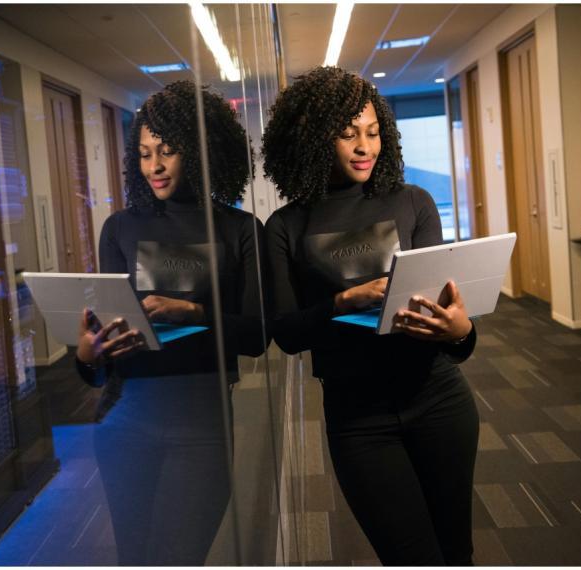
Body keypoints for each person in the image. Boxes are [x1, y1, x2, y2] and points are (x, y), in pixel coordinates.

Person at [261, 66, 479, 566]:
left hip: (439, 400)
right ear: (314, 140)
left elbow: (448, 319)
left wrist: (461, 332)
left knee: (456, 552)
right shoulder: (286, 226)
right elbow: (287, 334)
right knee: (410, 558)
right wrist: (342, 302)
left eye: (373, 132)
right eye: (347, 134)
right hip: (358, 419)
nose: (364, 146)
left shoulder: (413, 202)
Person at [74, 80, 268, 565]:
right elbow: (106, 351)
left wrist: (196, 313)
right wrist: (87, 356)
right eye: (144, 154)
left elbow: (258, 335)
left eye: (167, 152)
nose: (154, 166)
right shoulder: (120, 228)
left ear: (202, 152)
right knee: (135, 560)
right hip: (124, 420)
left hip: (201, 424)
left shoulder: (239, 230)